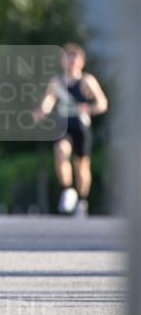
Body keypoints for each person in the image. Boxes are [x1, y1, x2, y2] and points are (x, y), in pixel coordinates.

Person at [33, 43, 108, 216]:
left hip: (81, 126)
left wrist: (90, 108)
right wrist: (42, 111)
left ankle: (82, 200)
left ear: (81, 62)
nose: (71, 63)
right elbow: (49, 100)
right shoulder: (57, 82)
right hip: (63, 126)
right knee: (60, 152)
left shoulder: (87, 81)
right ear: (63, 61)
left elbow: (102, 103)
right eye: (68, 59)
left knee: (82, 165)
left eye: (75, 60)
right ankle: (67, 190)